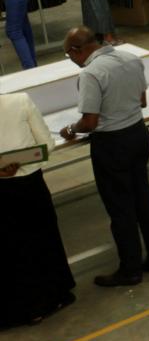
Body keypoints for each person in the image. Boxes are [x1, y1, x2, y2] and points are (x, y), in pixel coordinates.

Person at [58, 28, 149, 288]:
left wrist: (71, 130)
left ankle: (130, 270)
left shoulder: (91, 74)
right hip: (139, 135)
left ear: (77, 49)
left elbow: (90, 121)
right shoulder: (131, 58)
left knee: (120, 209)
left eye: (68, 55)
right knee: (144, 199)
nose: (71, 60)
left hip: (112, 145)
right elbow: (142, 101)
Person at [0, 90, 75, 327]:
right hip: (29, 185)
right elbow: (46, 144)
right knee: (42, 238)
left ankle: (22, 310)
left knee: (10, 247)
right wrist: (19, 163)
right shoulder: (19, 101)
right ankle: (54, 296)